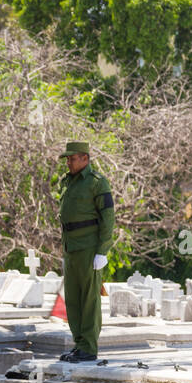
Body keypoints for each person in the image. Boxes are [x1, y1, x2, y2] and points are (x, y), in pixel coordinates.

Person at [58, 141, 115, 363]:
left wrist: (103, 251)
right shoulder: (68, 182)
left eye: (72, 158)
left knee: (90, 299)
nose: (69, 162)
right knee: (73, 299)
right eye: (67, 159)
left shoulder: (96, 183)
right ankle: (79, 344)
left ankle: (89, 347)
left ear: (85, 158)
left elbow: (108, 218)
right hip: (71, 247)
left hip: (89, 248)